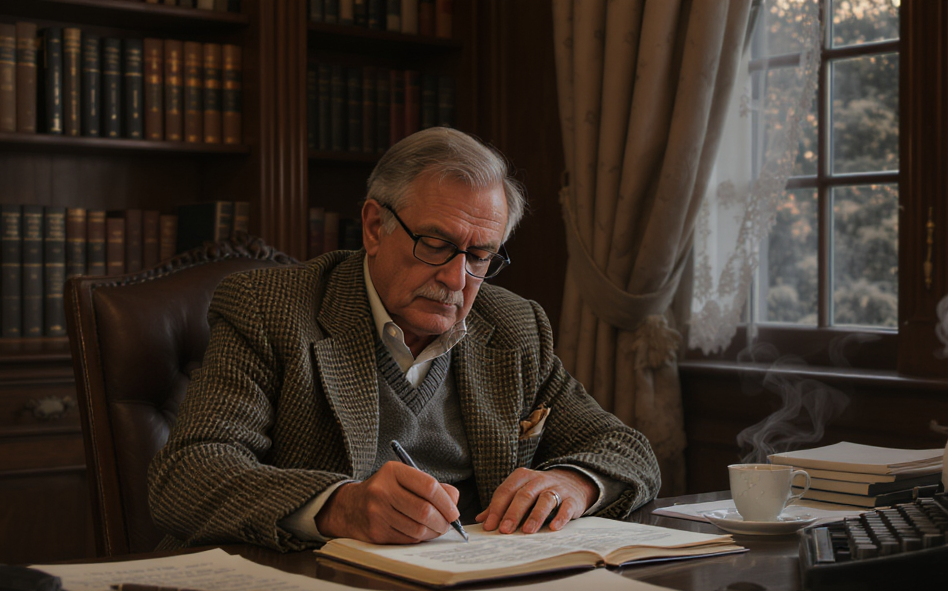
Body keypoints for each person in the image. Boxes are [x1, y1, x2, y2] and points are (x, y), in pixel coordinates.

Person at [149, 127, 660, 552]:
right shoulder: (270, 309)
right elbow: (187, 474)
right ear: (375, 227)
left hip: (477, 587)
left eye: (480, 256)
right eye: (435, 244)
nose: (457, 279)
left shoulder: (514, 325)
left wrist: (573, 482)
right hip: (314, 590)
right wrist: (340, 507)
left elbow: (626, 448)